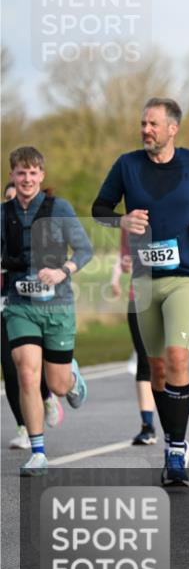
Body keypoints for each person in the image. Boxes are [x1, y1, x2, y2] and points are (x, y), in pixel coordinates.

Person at [92, 97, 189, 487]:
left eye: (153, 124)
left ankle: (175, 450)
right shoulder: (127, 165)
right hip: (143, 279)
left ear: (173, 128)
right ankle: (174, 437)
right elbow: (100, 207)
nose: (145, 130)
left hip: (185, 276)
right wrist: (122, 220)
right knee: (155, 368)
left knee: (176, 358)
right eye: (143, 123)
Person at [3, 147, 93, 476]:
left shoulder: (60, 208)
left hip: (58, 306)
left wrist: (61, 271)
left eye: (32, 173)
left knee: (57, 385)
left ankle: (72, 379)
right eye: (21, 173)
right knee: (27, 374)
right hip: (20, 305)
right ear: (12, 175)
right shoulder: (3, 214)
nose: (27, 179)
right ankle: (38, 451)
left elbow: (84, 250)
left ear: (41, 175)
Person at [3, 183, 65, 449]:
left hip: (32, 305)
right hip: (5, 307)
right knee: (12, 369)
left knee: (35, 367)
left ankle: (48, 394)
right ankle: (24, 428)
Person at [110, 229, 157, 445]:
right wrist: (116, 277)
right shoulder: (129, 223)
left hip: (168, 296)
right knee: (144, 360)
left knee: (168, 361)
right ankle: (147, 426)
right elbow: (124, 255)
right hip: (138, 298)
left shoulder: (172, 214)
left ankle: (182, 391)